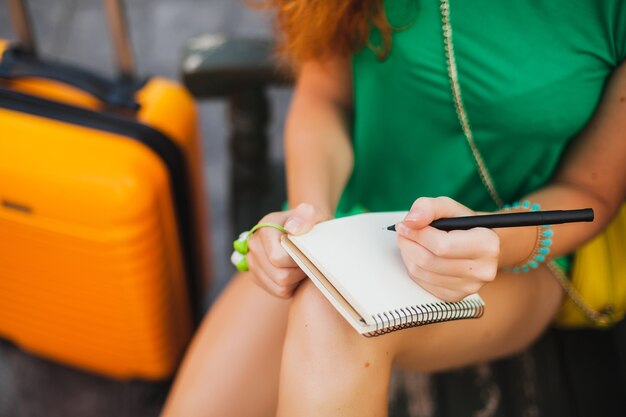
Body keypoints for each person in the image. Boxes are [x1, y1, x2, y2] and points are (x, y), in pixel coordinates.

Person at [162, 0, 626, 416]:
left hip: (512, 260)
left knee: (335, 315)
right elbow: (326, 96)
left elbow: (591, 192)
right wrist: (306, 222)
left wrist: (498, 242)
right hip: (349, 222)